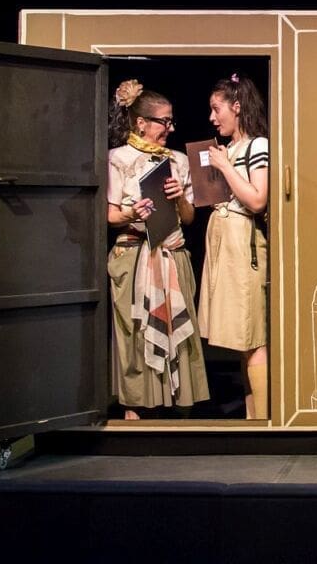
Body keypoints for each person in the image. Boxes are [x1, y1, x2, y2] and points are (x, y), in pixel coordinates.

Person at [106, 79, 209, 420]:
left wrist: (180, 198)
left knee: (179, 330)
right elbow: (109, 215)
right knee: (136, 331)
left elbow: (189, 218)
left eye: (171, 121)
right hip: (134, 254)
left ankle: (179, 400)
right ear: (141, 123)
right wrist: (132, 213)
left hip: (172, 252)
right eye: (165, 121)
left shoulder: (178, 160)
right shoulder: (118, 159)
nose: (171, 128)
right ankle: (134, 405)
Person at [197, 72, 271, 420]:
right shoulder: (231, 149)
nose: (212, 117)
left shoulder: (258, 146)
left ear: (237, 107)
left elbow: (257, 200)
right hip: (223, 243)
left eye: (217, 109)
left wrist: (225, 167)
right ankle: (251, 419)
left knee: (252, 336)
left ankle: (265, 421)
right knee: (242, 342)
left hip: (244, 245)